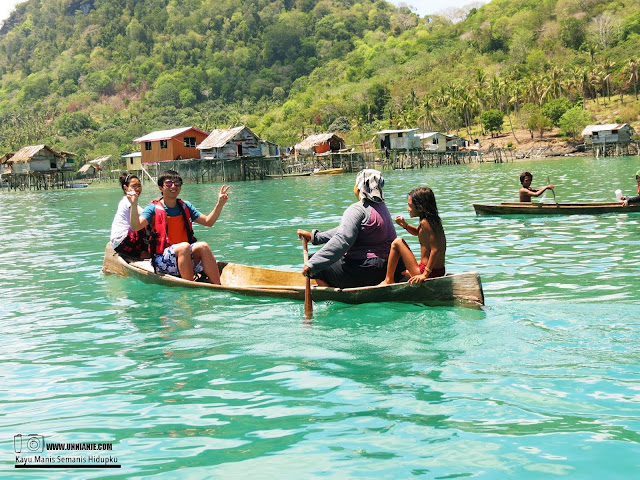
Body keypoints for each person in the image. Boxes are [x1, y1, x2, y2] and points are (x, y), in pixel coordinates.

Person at [297, 169, 399, 288]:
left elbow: (343, 240)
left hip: (365, 270)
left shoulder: (357, 209)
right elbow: (346, 230)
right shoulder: (382, 208)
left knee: (316, 261)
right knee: (321, 260)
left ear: (358, 188)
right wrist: (316, 238)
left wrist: (313, 264)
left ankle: (329, 295)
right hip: (385, 268)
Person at [129, 170, 230, 285]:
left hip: (184, 255)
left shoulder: (185, 206)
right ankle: (190, 286)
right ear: (161, 188)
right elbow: (136, 226)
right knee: (184, 247)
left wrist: (220, 204)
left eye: (177, 184)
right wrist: (133, 204)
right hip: (161, 259)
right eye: (168, 184)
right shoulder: (153, 208)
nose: (173, 186)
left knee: (203, 246)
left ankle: (217, 285)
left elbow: (208, 222)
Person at [379, 187, 446, 285]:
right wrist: (405, 225)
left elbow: (436, 249)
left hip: (429, 273)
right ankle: (411, 272)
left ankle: (388, 280)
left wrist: (425, 274)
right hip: (437, 270)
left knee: (397, 242)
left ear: (420, 207)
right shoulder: (432, 220)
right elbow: (417, 232)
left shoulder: (425, 223)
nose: (408, 209)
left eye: (410, 205)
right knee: (404, 272)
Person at [110, 173, 149, 258]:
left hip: (118, 242)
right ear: (126, 188)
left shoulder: (129, 201)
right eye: (134, 186)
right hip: (122, 242)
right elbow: (146, 215)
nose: (137, 189)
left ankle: (143, 252)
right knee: (145, 224)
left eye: (139, 185)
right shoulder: (128, 201)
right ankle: (144, 254)